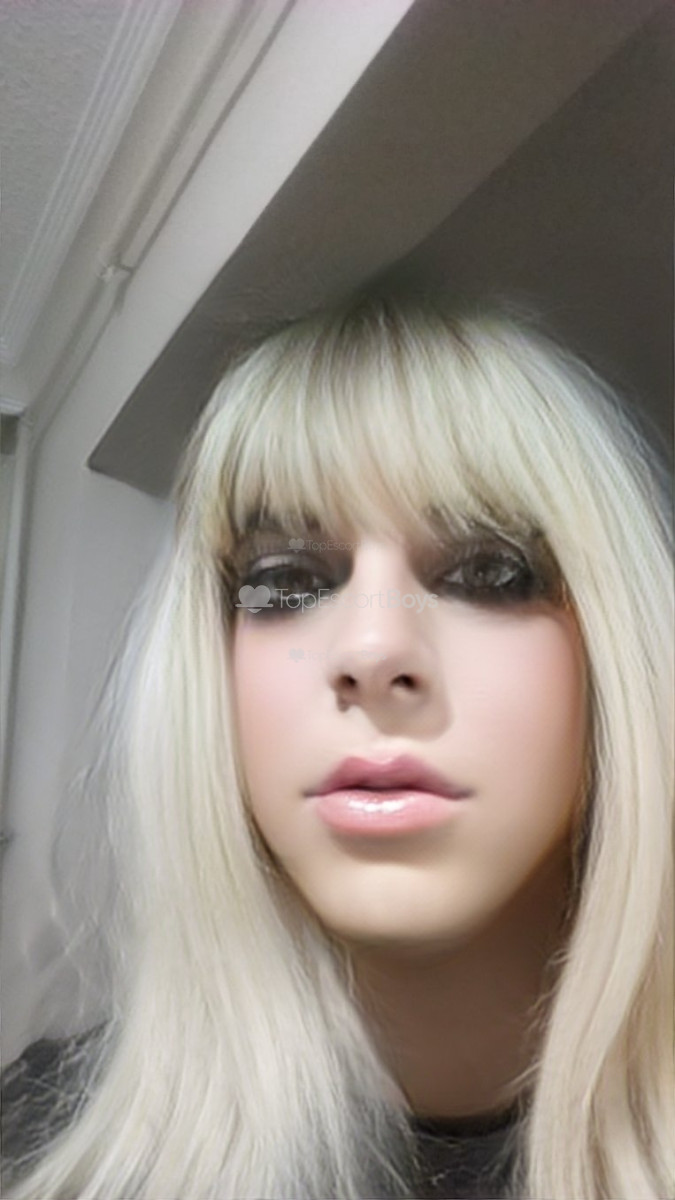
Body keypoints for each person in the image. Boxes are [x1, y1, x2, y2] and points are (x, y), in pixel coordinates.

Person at [1, 292, 673, 1200]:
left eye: (486, 571)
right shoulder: (41, 1144)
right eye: (285, 581)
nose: (372, 651)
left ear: (614, 657)